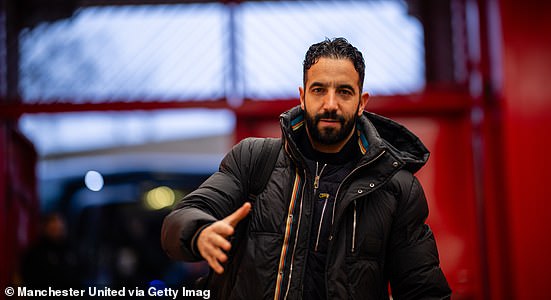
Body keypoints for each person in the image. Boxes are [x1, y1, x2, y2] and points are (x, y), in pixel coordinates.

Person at [161, 37, 451, 299]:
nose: (330, 104)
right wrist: (200, 233)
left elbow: (423, 289)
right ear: (302, 97)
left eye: (344, 92)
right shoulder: (253, 159)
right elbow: (181, 218)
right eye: (319, 90)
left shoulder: (395, 187)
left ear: (361, 102)